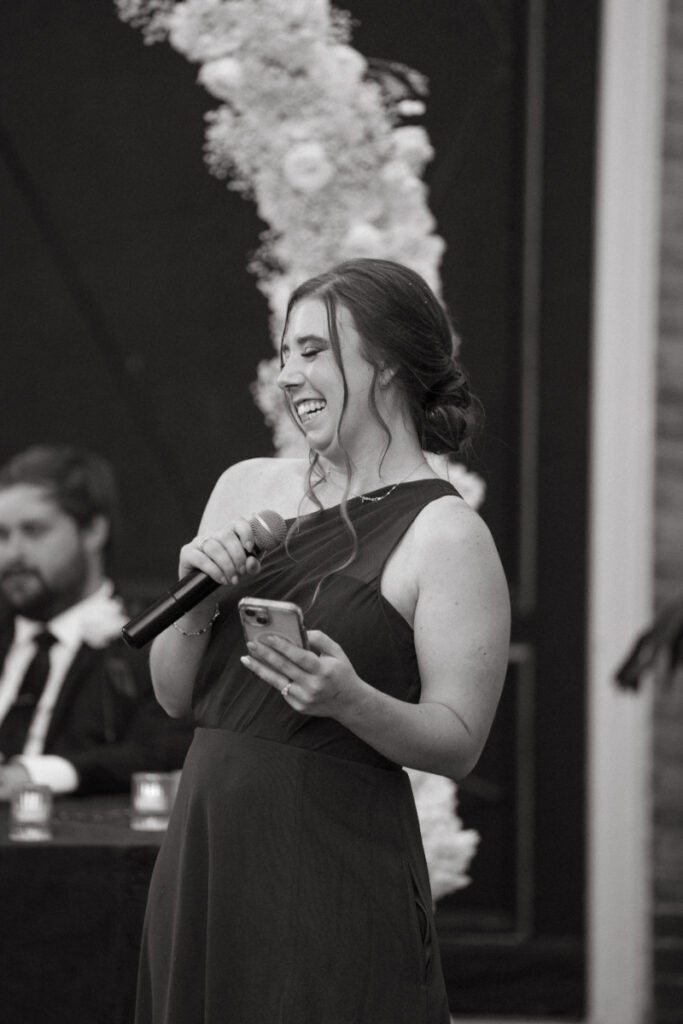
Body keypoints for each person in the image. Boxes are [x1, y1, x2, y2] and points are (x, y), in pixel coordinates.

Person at [135, 258, 511, 1024]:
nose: (287, 374)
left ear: (388, 365)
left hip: (330, 861)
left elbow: (459, 742)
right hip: (209, 844)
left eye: (312, 351)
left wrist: (349, 700)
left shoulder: (446, 534)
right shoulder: (244, 487)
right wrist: (194, 603)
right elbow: (176, 695)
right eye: (284, 353)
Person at [0, 444, 193, 799]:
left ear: (93, 531)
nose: (12, 554)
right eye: (2, 535)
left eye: (34, 531)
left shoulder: (153, 638)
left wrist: (39, 773)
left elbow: (165, 749)